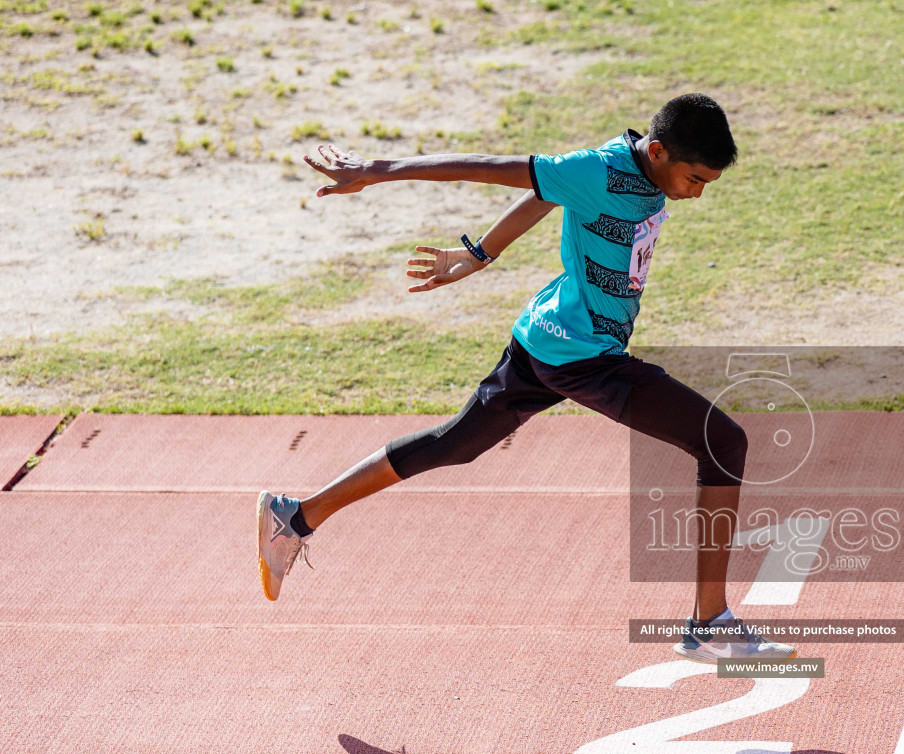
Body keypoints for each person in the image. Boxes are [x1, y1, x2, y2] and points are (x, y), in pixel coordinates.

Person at [257, 93, 794, 665]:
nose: (697, 194)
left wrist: (479, 253)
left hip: (543, 338)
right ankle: (709, 624)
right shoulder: (597, 167)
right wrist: (376, 171)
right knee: (723, 441)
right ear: (658, 151)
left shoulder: (632, 169)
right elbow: (486, 168)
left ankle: (295, 514)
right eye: (693, 179)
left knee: (454, 444)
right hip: (585, 358)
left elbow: (544, 195)